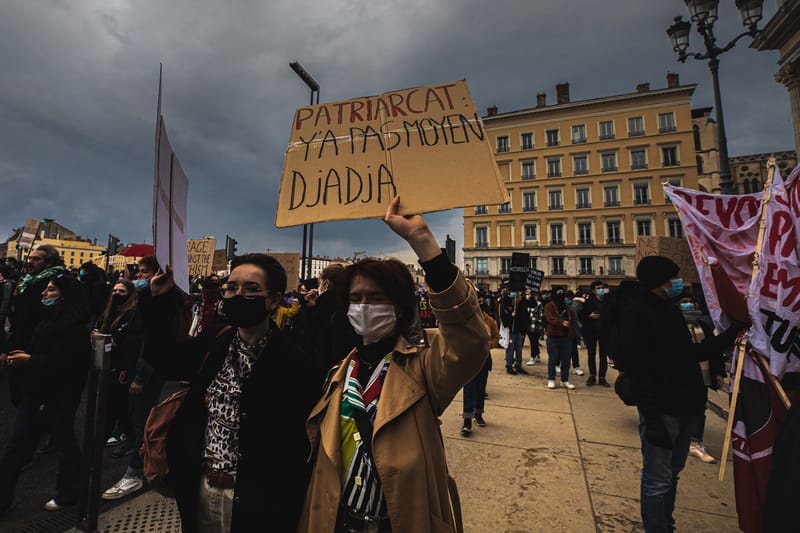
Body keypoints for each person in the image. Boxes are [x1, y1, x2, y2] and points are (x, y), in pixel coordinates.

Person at [297, 195, 490, 533]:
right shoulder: (339, 375)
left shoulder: (422, 370)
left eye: (376, 298)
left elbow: (470, 341)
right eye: (356, 299)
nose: (364, 307)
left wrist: (424, 244)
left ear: (399, 308)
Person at [140, 251, 325, 532]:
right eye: (232, 287)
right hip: (201, 489)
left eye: (252, 289)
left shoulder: (298, 366)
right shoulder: (214, 341)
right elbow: (164, 358)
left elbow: (299, 448)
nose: (239, 295)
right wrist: (160, 299)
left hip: (255, 503)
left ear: (273, 300)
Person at [613, 256, 742, 533]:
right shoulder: (638, 314)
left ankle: (665, 524)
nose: (678, 282)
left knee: (672, 474)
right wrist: (652, 416)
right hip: (662, 407)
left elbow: (689, 355)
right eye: (674, 278)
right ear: (661, 281)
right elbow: (639, 368)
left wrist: (731, 335)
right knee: (657, 479)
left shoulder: (670, 312)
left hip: (688, 404)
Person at [0, 273, 91, 512]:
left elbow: (69, 365)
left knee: (63, 443)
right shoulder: (47, 318)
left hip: (59, 395)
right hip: (36, 392)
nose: (44, 294)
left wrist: (30, 360)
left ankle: (69, 492)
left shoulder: (74, 326)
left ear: (64, 296)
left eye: (51, 290)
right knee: (16, 445)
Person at [96, 280, 141, 454]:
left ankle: (131, 439)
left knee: (121, 407)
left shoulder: (131, 314)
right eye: (114, 291)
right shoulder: (109, 312)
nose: (116, 295)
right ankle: (102, 439)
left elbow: (128, 341)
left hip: (122, 366)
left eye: (121, 292)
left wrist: (107, 339)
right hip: (108, 364)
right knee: (110, 405)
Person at [461, 299, 498, 435]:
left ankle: (478, 414)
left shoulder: (490, 321)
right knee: (468, 389)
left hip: (484, 359)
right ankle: (467, 420)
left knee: (480, 389)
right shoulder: (467, 321)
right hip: (470, 360)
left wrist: (489, 344)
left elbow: (496, 337)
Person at [543, 287, 577, 389]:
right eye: (558, 293)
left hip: (566, 337)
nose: (561, 295)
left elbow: (573, 320)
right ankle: (551, 379)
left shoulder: (567, 306)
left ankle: (565, 380)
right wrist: (561, 322)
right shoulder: (549, 306)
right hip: (553, 336)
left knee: (566, 360)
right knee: (553, 359)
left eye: (562, 293)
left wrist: (572, 332)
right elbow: (550, 319)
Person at [580, 280, 611, 387]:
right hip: (591, 331)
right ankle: (592, 375)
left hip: (605, 332)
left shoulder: (609, 301)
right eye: (598, 288)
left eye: (602, 288)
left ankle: (602, 377)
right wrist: (589, 316)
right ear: (593, 291)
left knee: (604, 355)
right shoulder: (588, 303)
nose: (601, 290)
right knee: (591, 354)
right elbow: (581, 317)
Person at [500, 290, 530, 375]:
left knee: (519, 349)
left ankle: (518, 365)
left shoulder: (521, 302)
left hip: (518, 329)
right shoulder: (506, 301)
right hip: (511, 330)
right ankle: (509, 365)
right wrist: (511, 316)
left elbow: (525, 314)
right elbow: (503, 316)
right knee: (510, 348)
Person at [525, 290, 544, 366]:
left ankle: (533, 357)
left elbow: (541, 315)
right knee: (533, 342)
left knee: (534, 342)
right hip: (529, 326)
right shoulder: (526, 304)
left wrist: (537, 321)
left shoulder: (539, 304)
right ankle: (537, 355)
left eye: (528, 294)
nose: (527, 295)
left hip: (537, 327)